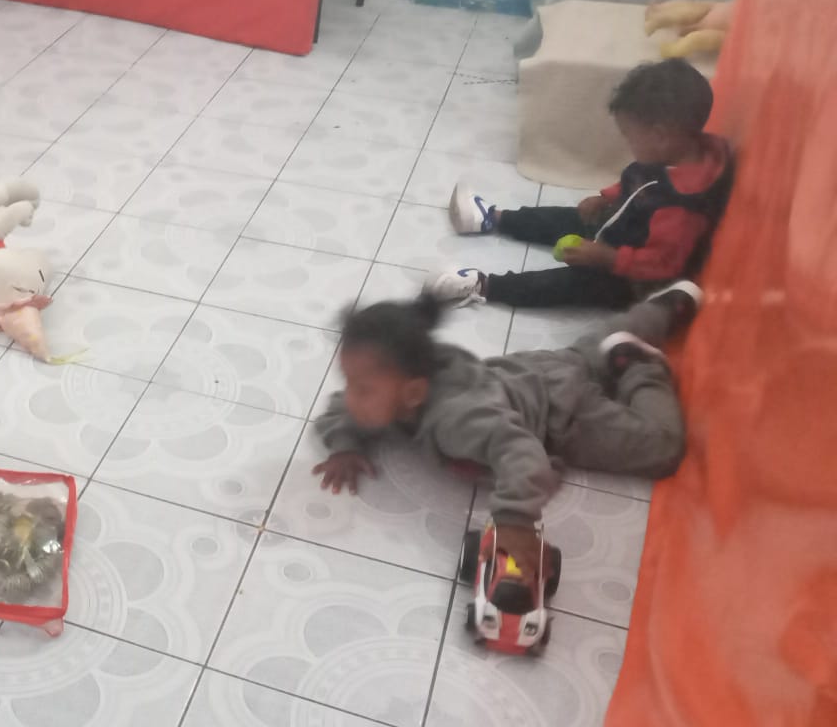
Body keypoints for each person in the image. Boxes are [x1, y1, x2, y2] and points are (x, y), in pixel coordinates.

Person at [311, 283, 698, 583]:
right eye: (350, 382)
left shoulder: (455, 420)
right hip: (534, 370)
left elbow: (523, 453)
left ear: (413, 393)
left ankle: (638, 366)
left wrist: (514, 520)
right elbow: (338, 410)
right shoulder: (404, 384)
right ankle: (663, 307)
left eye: (362, 389)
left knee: (663, 447)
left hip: (564, 411)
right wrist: (345, 446)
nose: (351, 397)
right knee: (588, 351)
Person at [432, 59, 734, 309]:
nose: (627, 143)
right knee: (564, 218)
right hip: (620, 228)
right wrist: (606, 197)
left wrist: (607, 258)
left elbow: (662, 265)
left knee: (567, 284)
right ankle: (492, 218)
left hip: (629, 278)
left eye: (629, 136)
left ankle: (485, 286)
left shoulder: (681, 209)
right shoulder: (673, 151)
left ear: (660, 135)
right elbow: (639, 183)